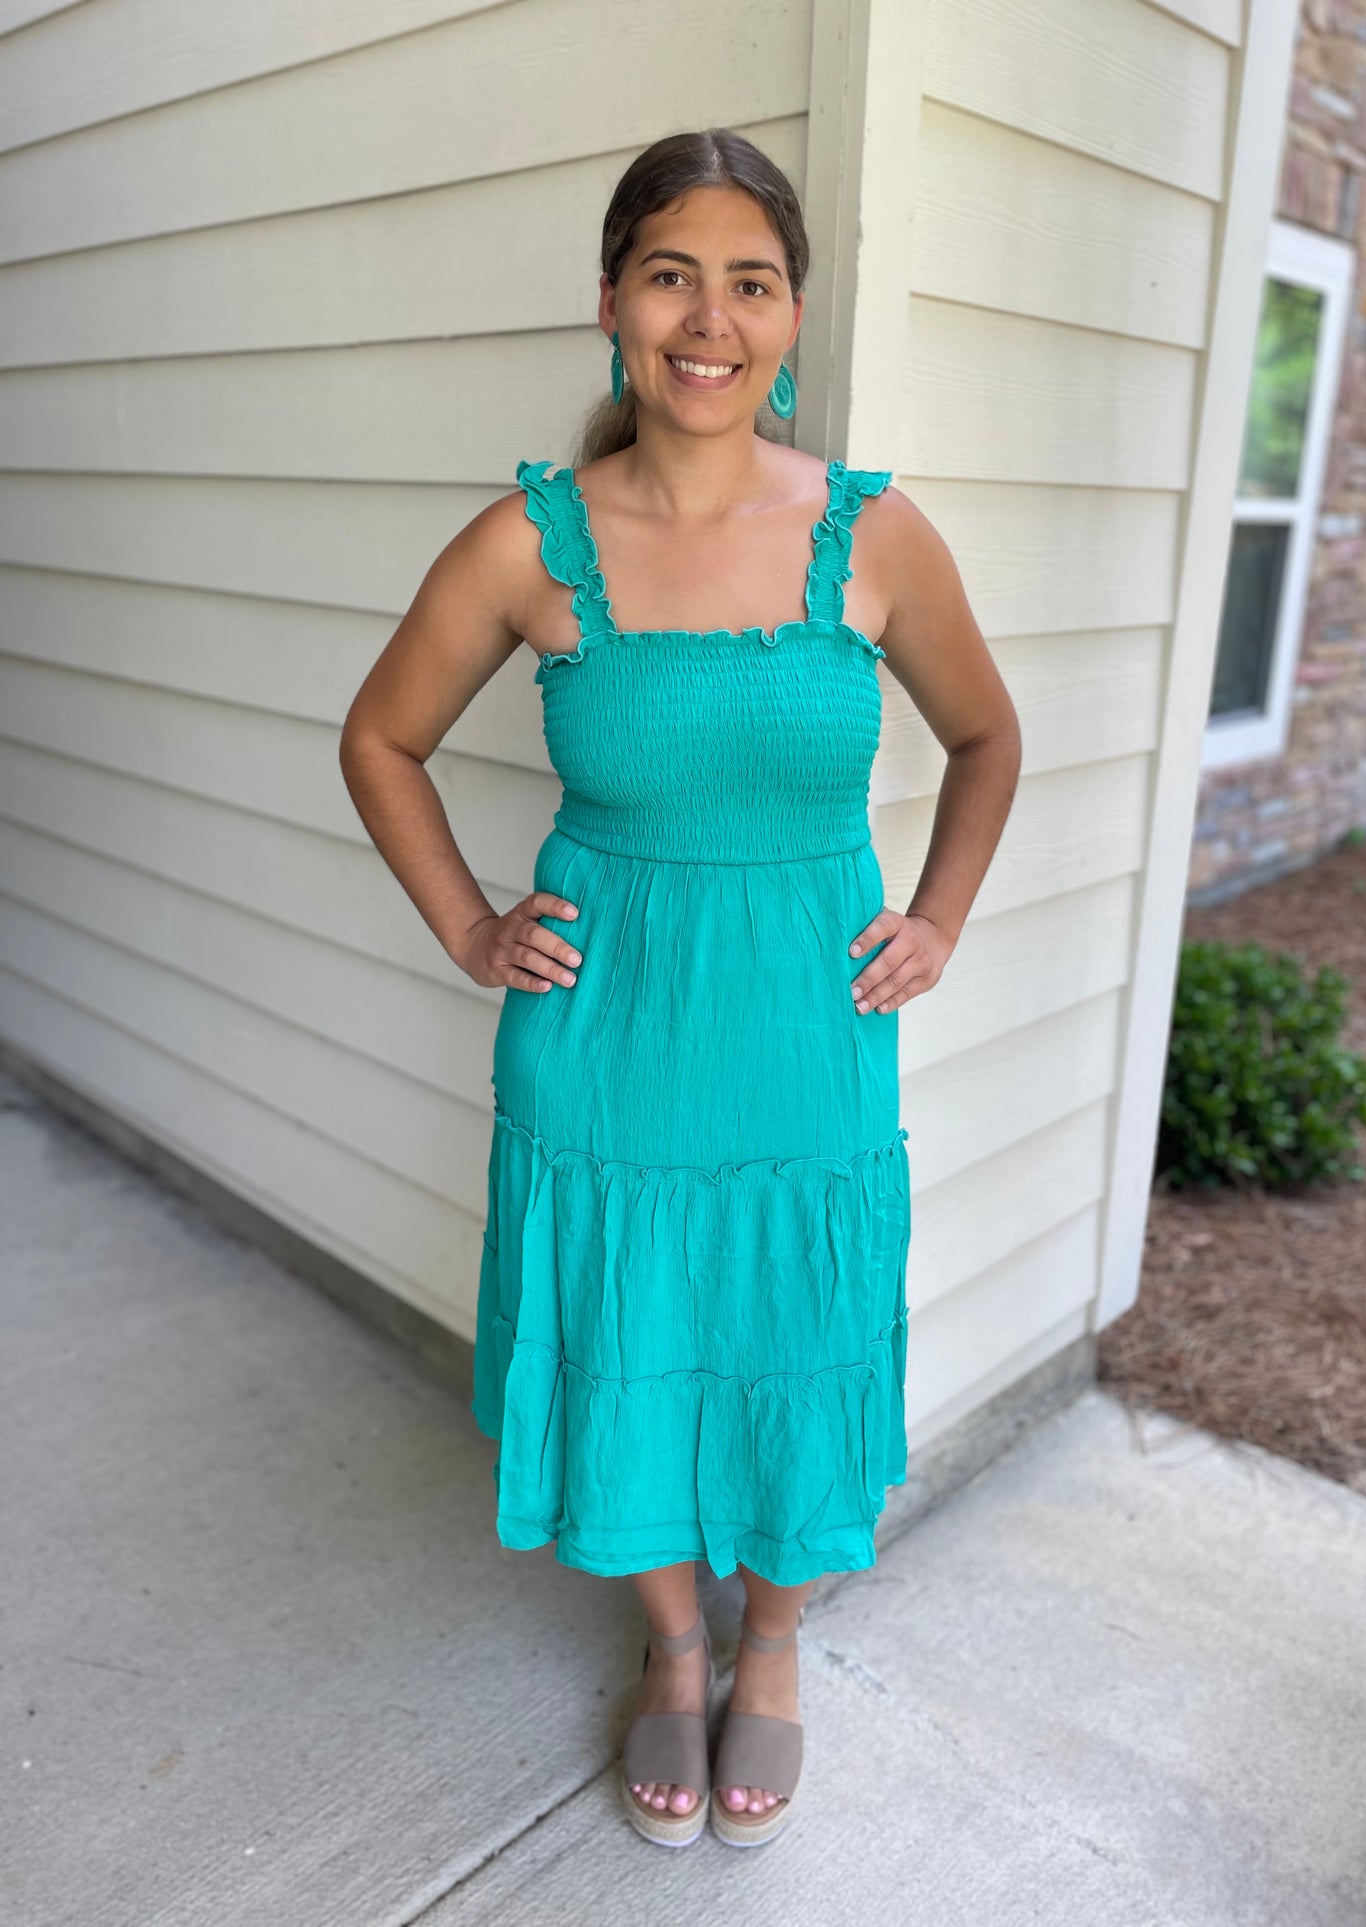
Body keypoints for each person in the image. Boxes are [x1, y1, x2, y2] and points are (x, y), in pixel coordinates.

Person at [339, 126, 1019, 1850]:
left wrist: (934, 916)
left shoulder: (872, 534)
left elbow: (987, 736)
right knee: (628, 1328)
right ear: (611, 305)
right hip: (604, 1036)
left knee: (790, 1325)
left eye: (749, 282)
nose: (707, 318)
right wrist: (471, 927)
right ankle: (666, 1646)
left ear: (790, 318)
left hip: (806, 1033)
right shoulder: (530, 541)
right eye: (671, 275)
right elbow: (382, 738)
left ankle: (771, 1649)